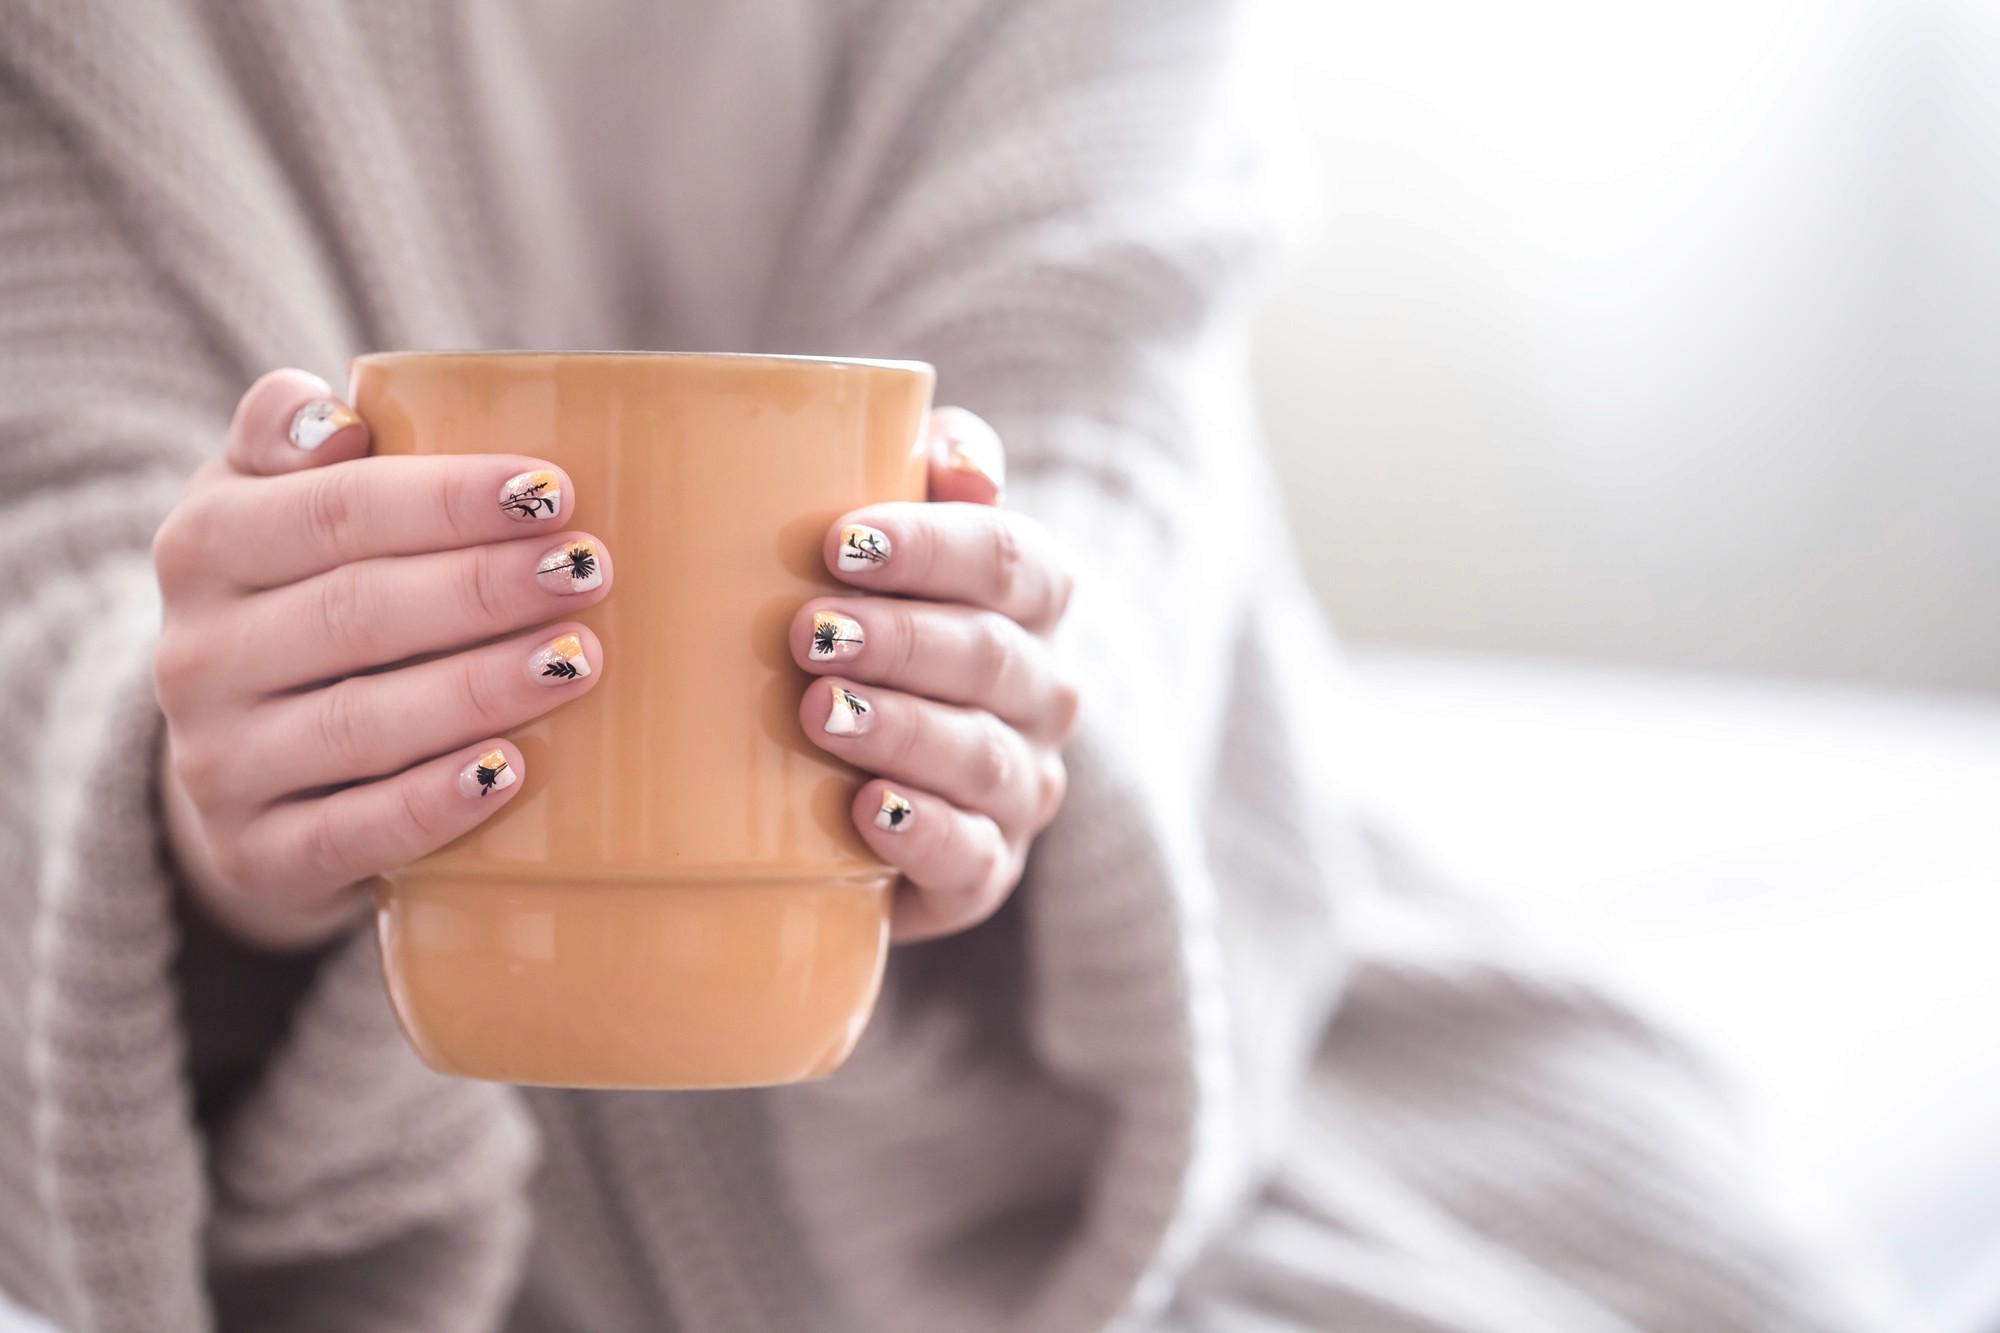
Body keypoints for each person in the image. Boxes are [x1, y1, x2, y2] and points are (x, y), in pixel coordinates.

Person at [0, 2, 1902, 1331]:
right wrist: (189, 776)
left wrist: (1015, 677)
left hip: (1145, 1055)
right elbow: (56, 555)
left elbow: (1101, 424)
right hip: (330, 1162)